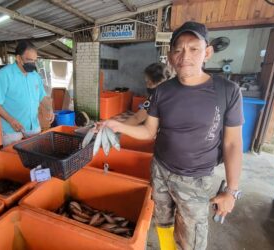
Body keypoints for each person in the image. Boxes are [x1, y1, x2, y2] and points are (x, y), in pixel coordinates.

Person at [104, 21, 243, 250]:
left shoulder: (227, 91)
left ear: (207, 52)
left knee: (193, 238)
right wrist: (116, 126)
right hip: (160, 170)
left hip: (195, 179)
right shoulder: (162, 91)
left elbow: (232, 143)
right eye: (178, 49)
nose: (184, 55)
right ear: (170, 56)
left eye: (193, 48)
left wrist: (231, 190)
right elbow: (149, 131)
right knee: (163, 220)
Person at [0, 40, 54, 146]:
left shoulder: (35, 76)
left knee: (36, 154)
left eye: (34, 61)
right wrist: (11, 120)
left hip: (34, 126)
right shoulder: (3, 75)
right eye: (29, 60)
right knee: (14, 159)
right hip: (12, 129)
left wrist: (49, 109)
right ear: (18, 58)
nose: (32, 64)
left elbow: (42, 96)